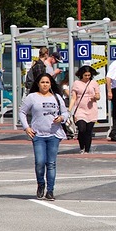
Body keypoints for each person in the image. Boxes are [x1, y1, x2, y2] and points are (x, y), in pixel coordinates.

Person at [18, 73, 68, 201]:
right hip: (38, 135)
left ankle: (50, 191)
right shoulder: (32, 97)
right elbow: (22, 112)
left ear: (51, 84)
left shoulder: (57, 97)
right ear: (38, 84)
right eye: (42, 82)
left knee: (51, 163)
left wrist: (62, 118)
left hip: (54, 134)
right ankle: (41, 184)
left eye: (47, 82)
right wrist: (26, 127)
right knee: (40, 162)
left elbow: (65, 112)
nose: (45, 85)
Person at [69, 65, 101, 154]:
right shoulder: (76, 83)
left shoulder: (94, 83)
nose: (87, 77)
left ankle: (87, 149)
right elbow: (73, 98)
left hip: (91, 109)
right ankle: (81, 146)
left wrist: (95, 96)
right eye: (85, 75)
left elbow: (98, 96)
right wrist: (69, 109)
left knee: (88, 131)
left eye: (89, 75)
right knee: (82, 128)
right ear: (81, 75)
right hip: (80, 109)